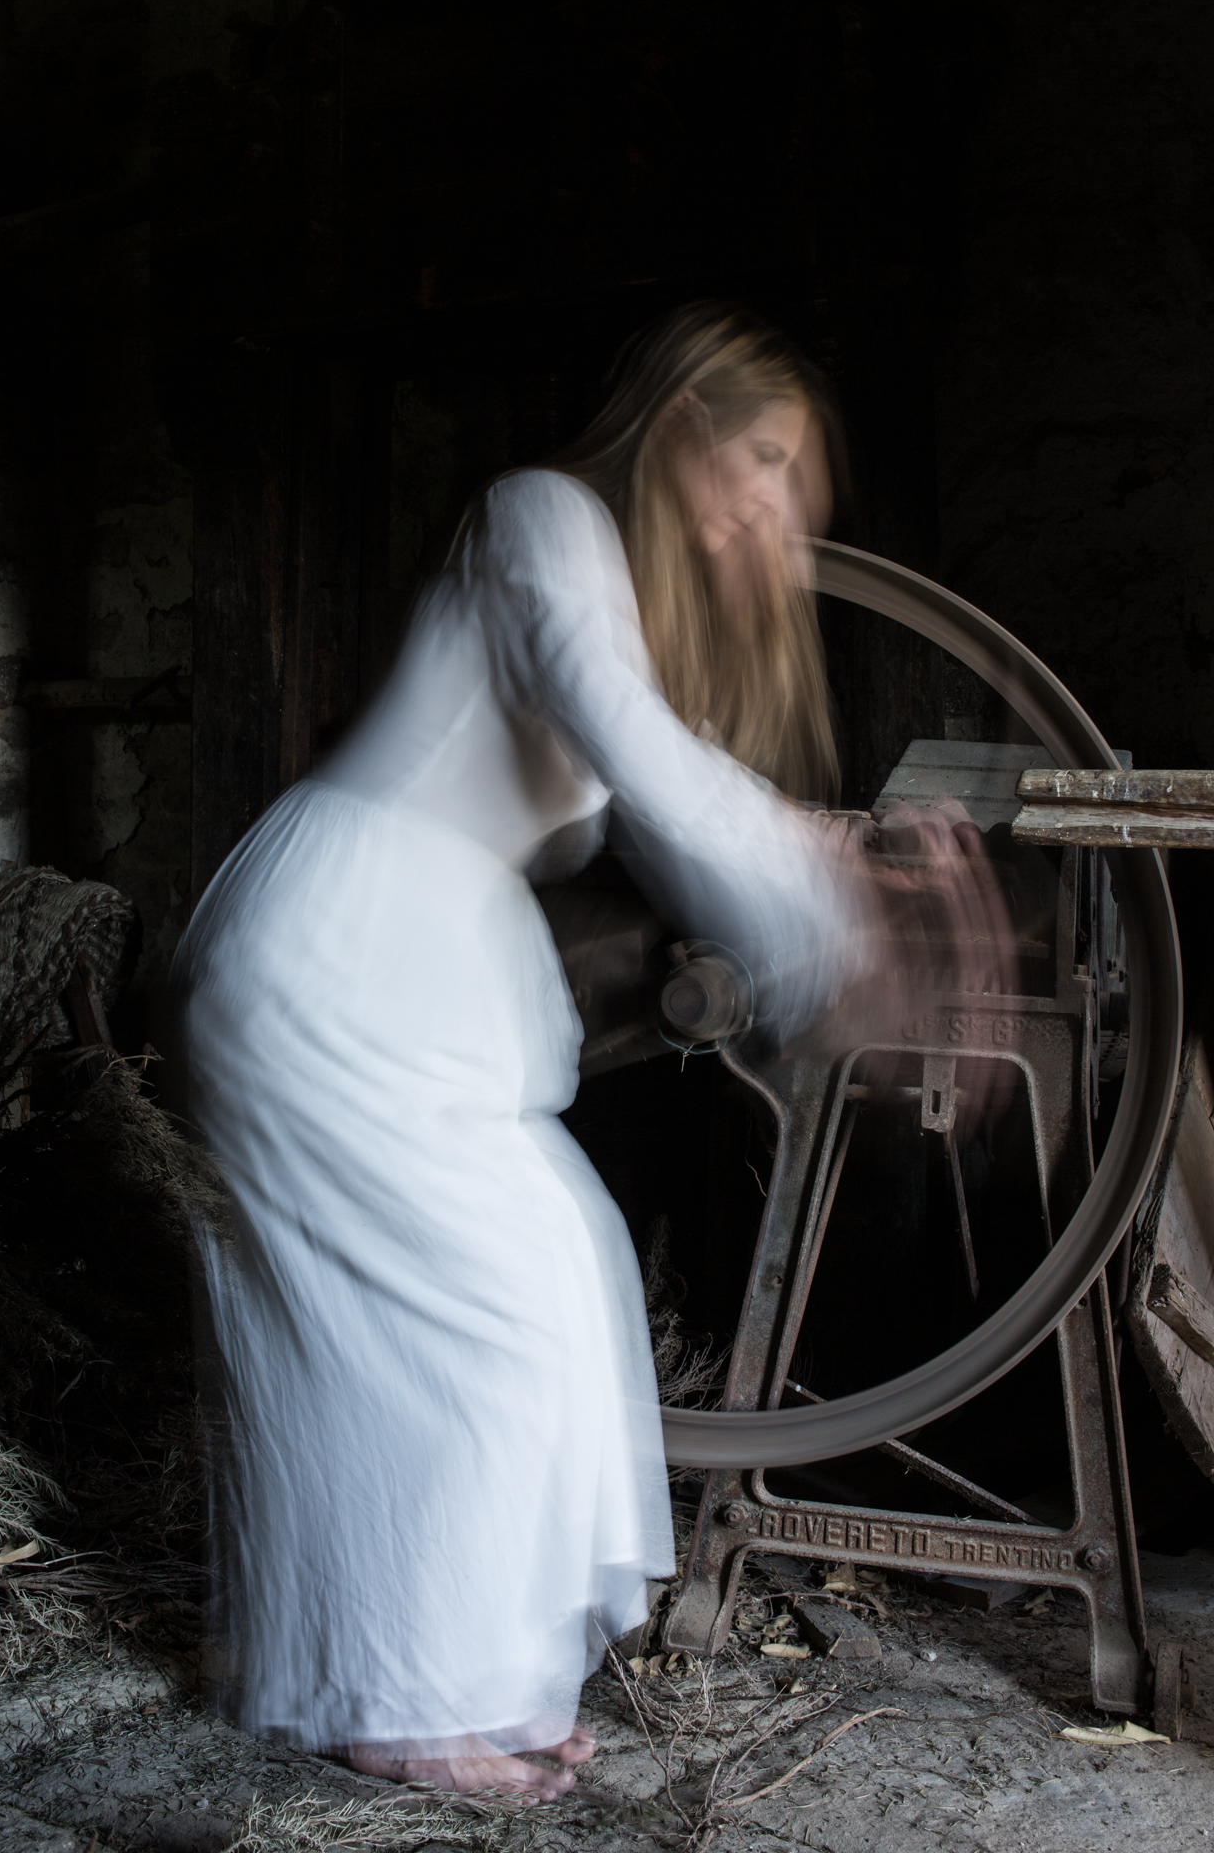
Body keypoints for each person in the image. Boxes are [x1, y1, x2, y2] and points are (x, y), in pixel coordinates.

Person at [174, 304, 903, 1803]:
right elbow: (643, 756)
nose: (771, 506)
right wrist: (834, 902)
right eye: (766, 460)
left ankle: (464, 1678)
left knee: (561, 1285)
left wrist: (828, 872)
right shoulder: (544, 518)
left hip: (411, 978)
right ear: (685, 424)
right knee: (485, 1314)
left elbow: (668, 795)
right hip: (331, 953)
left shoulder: (615, 602)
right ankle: (401, 1701)